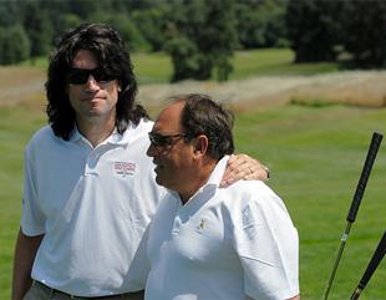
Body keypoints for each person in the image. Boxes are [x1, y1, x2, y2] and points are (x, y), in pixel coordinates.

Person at [11, 23, 269, 300]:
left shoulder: (157, 141)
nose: (92, 85)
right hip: (48, 293)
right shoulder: (42, 145)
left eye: (104, 74)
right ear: (64, 85)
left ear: (120, 82)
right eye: (78, 76)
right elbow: (31, 233)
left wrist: (258, 169)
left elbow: (209, 181)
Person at [142, 94, 300, 299]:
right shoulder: (170, 198)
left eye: (161, 141)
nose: (150, 151)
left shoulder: (251, 202)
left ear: (199, 147)